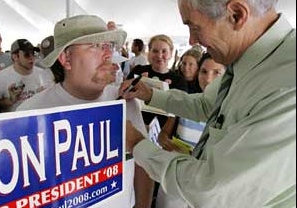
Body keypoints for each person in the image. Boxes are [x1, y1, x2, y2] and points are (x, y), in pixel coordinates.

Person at [119, 0, 296, 207]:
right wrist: (152, 95)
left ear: (236, 15)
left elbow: (210, 188)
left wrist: (138, 145)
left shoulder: (287, 85)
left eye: (194, 27)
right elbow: (207, 106)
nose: (193, 40)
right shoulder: (249, 61)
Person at [17, 15, 153, 208]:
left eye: (109, 45)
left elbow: (143, 164)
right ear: (66, 59)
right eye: (96, 46)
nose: (108, 54)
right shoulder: (30, 113)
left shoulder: (126, 101)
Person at [155, 52, 225, 207]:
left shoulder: (230, 113)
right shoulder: (186, 103)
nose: (208, 79)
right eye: (204, 72)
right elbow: (163, 135)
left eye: (217, 73)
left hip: (205, 192)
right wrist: (167, 143)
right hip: (176, 182)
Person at [127, 34, 188, 127]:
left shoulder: (178, 80)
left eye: (164, 51)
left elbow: (178, 112)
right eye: (155, 51)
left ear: (171, 53)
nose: (159, 56)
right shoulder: (138, 71)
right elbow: (124, 94)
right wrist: (134, 83)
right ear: (149, 52)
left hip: (161, 131)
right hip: (135, 124)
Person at [0, 39, 54, 112]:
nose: (32, 58)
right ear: (15, 57)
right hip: (15, 121)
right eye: (27, 55)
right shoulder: (2, 77)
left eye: (34, 53)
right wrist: (11, 100)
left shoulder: (43, 74)